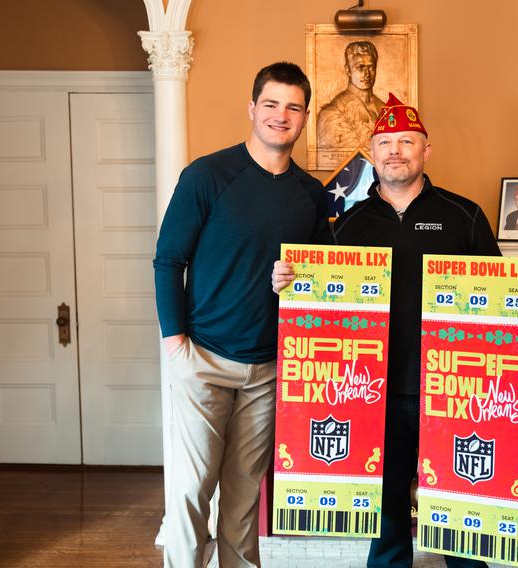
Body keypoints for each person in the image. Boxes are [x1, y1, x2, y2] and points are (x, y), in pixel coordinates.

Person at [272, 93, 518, 568]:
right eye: (385, 143)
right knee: (387, 508)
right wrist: (288, 283)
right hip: (371, 393)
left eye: (406, 141)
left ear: (426, 151)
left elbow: (499, 295)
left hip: (453, 394)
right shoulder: (344, 224)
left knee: (461, 512)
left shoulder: (465, 215)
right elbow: (318, 296)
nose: (395, 151)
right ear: (372, 152)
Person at [154, 61, 332, 568]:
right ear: (253, 108)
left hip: (271, 369)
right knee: (191, 492)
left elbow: (323, 279)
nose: (282, 115)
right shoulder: (207, 175)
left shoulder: (311, 195)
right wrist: (175, 343)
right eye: (271, 104)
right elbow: (169, 259)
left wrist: (298, 283)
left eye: (294, 107)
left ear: (304, 117)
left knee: (242, 497)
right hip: (203, 358)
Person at [316, 41, 386, 151]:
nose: (367, 74)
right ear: (348, 70)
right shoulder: (331, 113)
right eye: (360, 67)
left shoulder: (386, 109)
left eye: (371, 67)